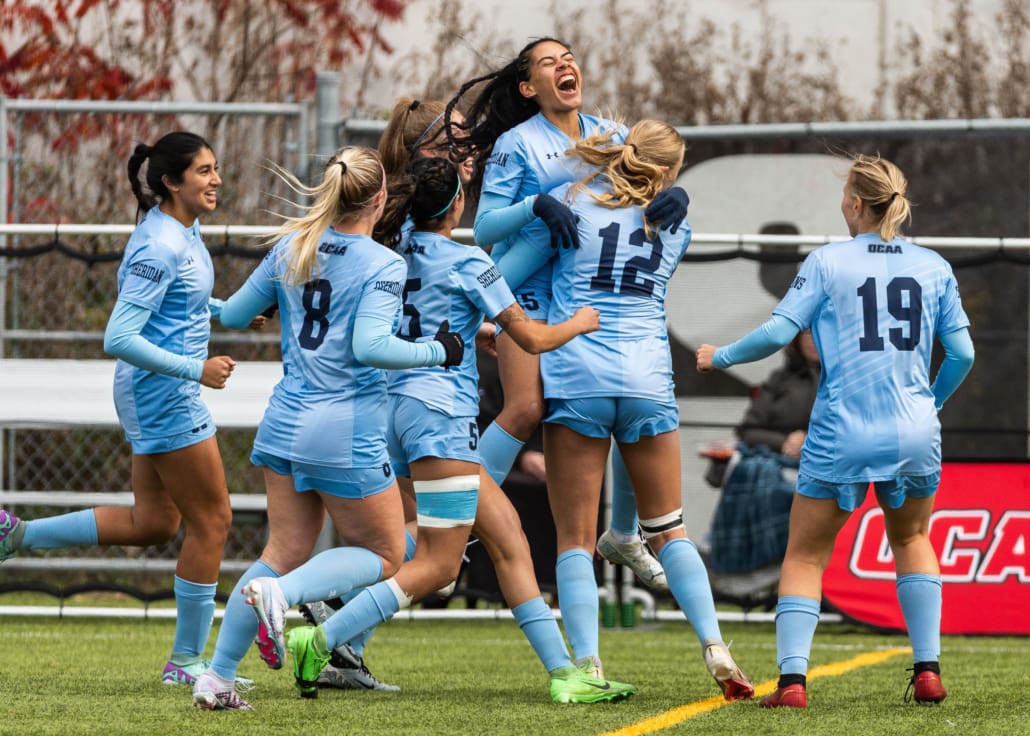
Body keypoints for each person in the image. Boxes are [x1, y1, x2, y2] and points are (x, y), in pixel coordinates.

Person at [245, 155, 639, 705]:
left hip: (391, 413)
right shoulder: (470, 261)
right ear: (458, 204)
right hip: (440, 419)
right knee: (439, 563)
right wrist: (580, 322)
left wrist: (471, 329)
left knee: (505, 538)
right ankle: (325, 634)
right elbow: (530, 340)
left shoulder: (396, 244)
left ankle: (567, 673)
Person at [190, 145, 465, 711]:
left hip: (286, 419)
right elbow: (370, 347)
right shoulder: (384, 262)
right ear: (381, 198)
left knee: (283, 547)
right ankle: (284, 596)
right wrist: (439, 350)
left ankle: (216, 677)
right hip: (345, 426)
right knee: (389, 556)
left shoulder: (294, 246)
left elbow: (236, 315)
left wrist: (251, 307)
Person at [697, 153, 975, 708]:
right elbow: (963, 354)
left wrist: (719, 355)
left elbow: (778, 331)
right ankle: (927, 671)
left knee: (804, 555)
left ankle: (794, 684)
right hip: (914, 432)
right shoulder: (933, 266)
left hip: (842, 432)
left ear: (854, 203)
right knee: (913, 540)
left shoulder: (827, 262)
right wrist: (930, 403)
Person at [495, 119, 753, 698]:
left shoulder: (569, 205)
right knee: (670, 528)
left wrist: (492, 322)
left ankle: (586, 666)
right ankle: (714, 643)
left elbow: (500, 276)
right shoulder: (675, 228)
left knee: (572, 540)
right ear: (668, 173)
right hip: (646, 381)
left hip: (578, 375)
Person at [0, 131, 250, 686]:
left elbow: (177, 301)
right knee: (214, 520)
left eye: (215, 169)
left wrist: (225, 310)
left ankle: (17, 537)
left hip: (158, 388)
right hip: (163, 392)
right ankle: (186, 663)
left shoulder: (183, 229)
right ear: (171, 182)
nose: (216, 180)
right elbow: (118, 335)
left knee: (154, 523)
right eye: (204, 171)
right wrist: (198, 370)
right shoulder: (159, 241)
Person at [445, 37, 691, 592]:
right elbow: (483, 232)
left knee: (629, 400)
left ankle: (625, 534)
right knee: (526, 407)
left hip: (587, 295)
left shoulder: (613, 135)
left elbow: (650, 181)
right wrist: (536, 204)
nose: (566, 66)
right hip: (528, 292)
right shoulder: (516, 144)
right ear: (529, 87)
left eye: (570, 58)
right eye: (549, 62)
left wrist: (680, 198)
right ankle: (454, 525)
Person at [705, 330, 819, 583]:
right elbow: (748, 431)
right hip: (776, 463)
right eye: (807, 334)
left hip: (825, 467)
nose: (812, 340)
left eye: (818, 333)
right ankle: (753, 576)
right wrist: (784, 443)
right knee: (758, 474)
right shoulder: (779, 380)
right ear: (796, 341)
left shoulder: (845, 381)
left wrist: (810, 442)